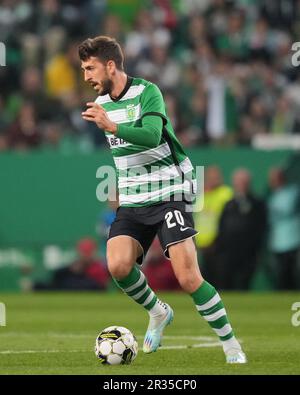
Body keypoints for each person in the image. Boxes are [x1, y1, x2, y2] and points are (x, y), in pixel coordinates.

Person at [79, 35, 246, 363]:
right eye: (83, 69)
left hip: (170, 192)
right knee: (117, 265)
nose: (86, 76)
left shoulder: (147, 92)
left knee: (188, 277)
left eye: (90, 67)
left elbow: (152, 135)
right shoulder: (101, 105)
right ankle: (158, 311)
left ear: (110, 65)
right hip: (134, 197)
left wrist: (112, 126)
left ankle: (231, 345)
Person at [217, 169, 266, 290]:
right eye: (239, 182)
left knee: (244, 282)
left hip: (249, 252)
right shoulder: (228, 204)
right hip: (229, 251)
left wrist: (256, 248)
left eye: (244, 181)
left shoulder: (257, 204)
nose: (241, 184)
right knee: (227, 283)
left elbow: (261, 227)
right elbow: (221, 226)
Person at [267, 167, 300, 290]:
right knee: (280, 273)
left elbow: (287, 210)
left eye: (274, 178)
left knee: (290, 272)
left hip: (292, 240)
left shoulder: (293, 192)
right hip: (277, 241)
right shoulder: (272, 196)